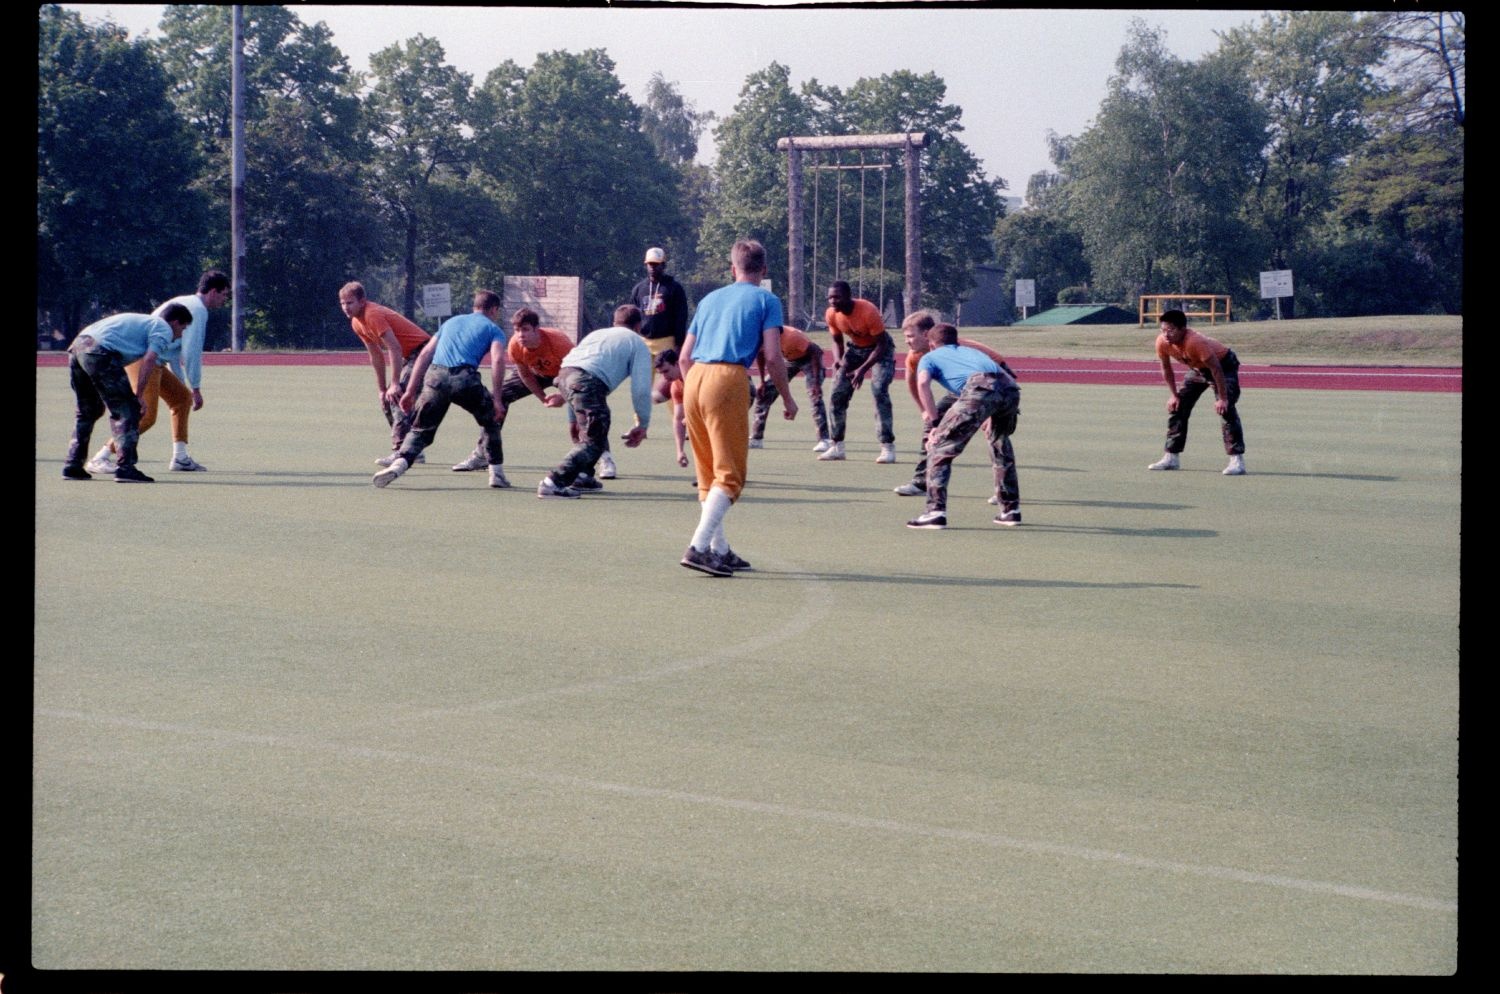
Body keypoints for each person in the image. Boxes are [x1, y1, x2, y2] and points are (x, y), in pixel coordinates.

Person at [677, 239, 797, 576]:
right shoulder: (767, 299)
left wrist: (694, 391)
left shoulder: (710, 299)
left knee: (708, 474)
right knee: (730, 475)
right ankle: (699, 547)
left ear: (733, 268)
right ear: (764, 270)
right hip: (728, 377)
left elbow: (685, 356)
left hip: (695, 377)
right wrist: (786, 397)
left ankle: (720, 549)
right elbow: (773, 356)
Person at [85, 270, 229, 475]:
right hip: (145, 360)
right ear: (213, 291)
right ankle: (101, 456)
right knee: (146, 416)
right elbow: (191, 352)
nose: (225, 300)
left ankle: (180, 458)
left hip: (154, 360)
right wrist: (196, 387)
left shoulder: (185, 301)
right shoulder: (199, 310)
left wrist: (184, 386)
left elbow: (172, 351)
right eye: (224, 294)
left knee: (181, 398)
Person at [372, 290, 511, 489]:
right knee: (491, 420)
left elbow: (425, 354)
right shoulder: (493, 329)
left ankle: (398, 465)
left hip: (434, 378)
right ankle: (496, 474)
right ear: (494, 309)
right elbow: (497, 360)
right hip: (465, 378)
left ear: (475, 306)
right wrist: (497, 399)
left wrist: (410, 391)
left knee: (420, 430)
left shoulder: (451, 322)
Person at [893, 311, 1019, 520]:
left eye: (911, 336)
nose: (907, 341)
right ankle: (1010, 510)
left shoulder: (935, 354)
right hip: (1006, 389)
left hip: (977, 387)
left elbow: (922, 383)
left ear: (928, 338)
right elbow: (1002, 377)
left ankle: (934, 512)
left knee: (939, 445)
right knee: (999, 442)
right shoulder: (948, 352)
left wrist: (937, 425)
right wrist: (927, 414)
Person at [62, 304, 193, 483]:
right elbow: (149, 360)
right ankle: (126, 468)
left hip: (77, 347)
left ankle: (73, 465)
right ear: (175, 322)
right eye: (183, 328)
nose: (181, 334)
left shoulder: (143, 321)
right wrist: (138, 395)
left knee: (88, 410)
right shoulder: (163, 328)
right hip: (100, 351)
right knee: (128, 410)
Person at [536, 305, 655, 499]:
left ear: (614, 323)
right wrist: (642, 424)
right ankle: (553, 483)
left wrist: (573, 417)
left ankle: (583, 477)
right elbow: (641, 389)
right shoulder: (637, 342)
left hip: (564, 375)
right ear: (638, 326)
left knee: (595, 427)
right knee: (595, 441)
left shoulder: (596, 334)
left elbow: (573, 369)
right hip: (586, 382)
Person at [451, 308, 570, 472]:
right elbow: (526, 375)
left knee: (583, 402)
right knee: (496, 400)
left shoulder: (559, 343)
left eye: (526, 330)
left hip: (565, 373)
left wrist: (564, 396)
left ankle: (602, 457)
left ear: (537, 329)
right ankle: (482, 455)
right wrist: (542, 397)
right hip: (535, 372)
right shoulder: (515, 344)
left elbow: (575, 374)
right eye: (517, 330)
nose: (521, 335)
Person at [338, 281, 432, 466]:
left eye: (350, 303)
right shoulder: (357, 322)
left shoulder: (372, 314)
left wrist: (395, 383)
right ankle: (413, 450)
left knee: (396, 396)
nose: (345, 307)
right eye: (342, 303)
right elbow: (376, 355)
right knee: (387, 401)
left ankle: (400, 452)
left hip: (424, 352)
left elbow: (394, 348)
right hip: (410, 356)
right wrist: (381, 389)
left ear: (362, 301)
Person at [1147, 309, 1246, 475]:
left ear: (1182, 329)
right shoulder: (1162, 342)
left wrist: (1222, 398)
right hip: (1198, 369)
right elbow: (1166, 368)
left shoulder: (1195, 342)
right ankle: (1171, 457)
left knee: (1226, 409)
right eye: (1162, 330)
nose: (1166, 335)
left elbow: (1216, 370)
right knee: (1178, 407)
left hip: (1223, 366)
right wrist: (1174, 395)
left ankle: (1237, 460)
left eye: (1170, 330)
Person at [820, 281, 896, 463]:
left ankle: (887, 447)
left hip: (880, 350)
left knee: (879, 391)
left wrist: (862, 370)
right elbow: (837, 341)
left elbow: (881, 344)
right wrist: (839, 361)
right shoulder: (832, 314)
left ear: (848, 296)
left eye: (837, 297)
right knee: (837, 395)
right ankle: (837, 446)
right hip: (855, 350)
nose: (832, 301)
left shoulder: (868, 311)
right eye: (830, 297)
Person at [748, 325, 830, 450]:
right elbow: (761, 355)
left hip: (809, 359)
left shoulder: (792, 337)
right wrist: (762, 381)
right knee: (764, 393)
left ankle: (824, 440)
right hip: (789, 360)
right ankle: (756, 438)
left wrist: (817, 384)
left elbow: (816, 351)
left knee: (815, 395)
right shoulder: (763, 337)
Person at [651, 349, 690, 469]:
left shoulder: (695, 376)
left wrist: (691, 417)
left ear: (678, 364)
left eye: (666, 371)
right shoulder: (676, 386)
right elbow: (678, 419)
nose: (665, 377)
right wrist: (680, 451)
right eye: (661, 373)